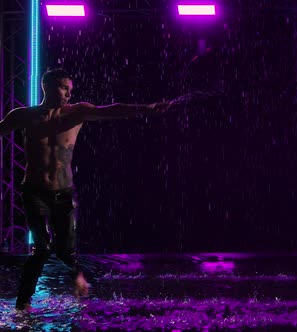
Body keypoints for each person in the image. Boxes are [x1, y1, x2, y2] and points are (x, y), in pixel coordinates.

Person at [0, 68, 170, 311]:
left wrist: (145, 108)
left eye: (70, 89)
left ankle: (79, 277)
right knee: (41, 248)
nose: (69, 94)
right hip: (34, 191)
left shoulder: (76, 112)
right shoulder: (24, 116)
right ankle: (23, 303)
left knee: (65, 251)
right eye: (63, 88)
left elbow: (112, 110)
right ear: (46, 86)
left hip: (64, 192)